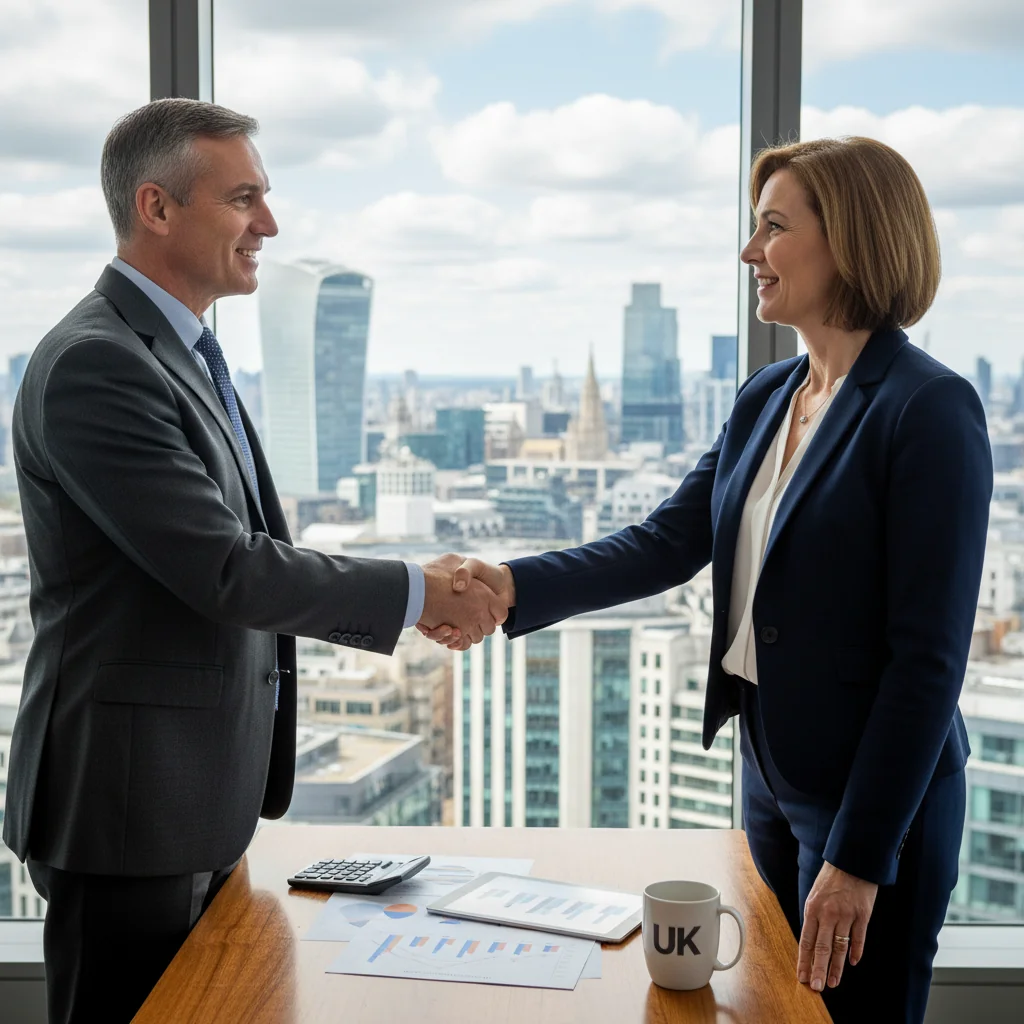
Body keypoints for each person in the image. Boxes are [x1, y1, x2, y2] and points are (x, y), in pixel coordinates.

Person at [422, 137, 993, 1024]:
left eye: (772, 227)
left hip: (876, 803)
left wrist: (859, 858)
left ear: (849, 240)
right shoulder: (770, 394)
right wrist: (508, 582)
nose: (748, 252)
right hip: (770, 774)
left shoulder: (927, 408)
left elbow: (929, 661)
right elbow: (665, 542)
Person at [2, 98, 506, 1024]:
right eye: (243, 200)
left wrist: (411, 583)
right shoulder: (95, 363)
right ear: (156, 208)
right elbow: (227, 570)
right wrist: (414, 591)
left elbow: (249, 549)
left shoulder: (183, 353)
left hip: (192, 795)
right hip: (128, 805)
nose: (268, 225)